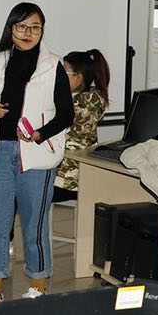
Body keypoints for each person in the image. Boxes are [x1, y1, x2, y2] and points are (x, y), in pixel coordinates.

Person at [0, 2, 74, 304]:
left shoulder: (53, 65)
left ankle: (38, 284)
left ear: (42, 31)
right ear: (11, 29)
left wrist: (39, 134)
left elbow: (66, 114)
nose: (28, 33)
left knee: (34, 225)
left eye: (35, 27)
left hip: (36, 154)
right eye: (22, 27)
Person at [53, 49, 111, 202]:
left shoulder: (80, 105)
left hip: (66, 179)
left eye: (63, 74)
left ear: (78, 78)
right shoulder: (95, 97)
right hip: (82, 175)